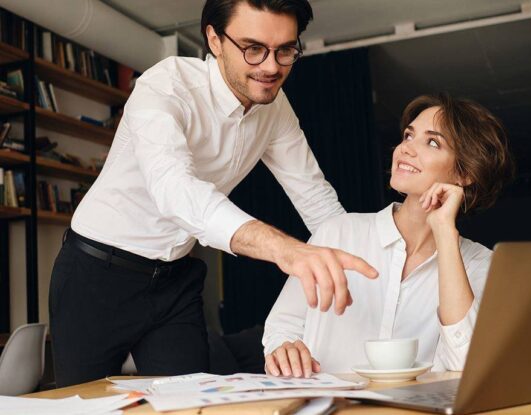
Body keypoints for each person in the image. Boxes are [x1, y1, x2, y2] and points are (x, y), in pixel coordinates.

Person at [49, 0, 378, 387]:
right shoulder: (165, 86)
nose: (271, 67)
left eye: (285, 50)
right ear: (214, 39)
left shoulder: (275, 109)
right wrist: (284, 249)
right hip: (95, 273)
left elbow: (317, 200)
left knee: (192, 402)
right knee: (82, 404)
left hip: (174, 281)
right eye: (253, 48)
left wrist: (378, 266)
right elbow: (175, 191)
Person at [263, 93, 515, 377]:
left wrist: (445, 232)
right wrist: (284, 348)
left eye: (433, 142)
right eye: (408, 136)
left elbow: (466, 365)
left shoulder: (481, 265)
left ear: (465, 173)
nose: (406, 148)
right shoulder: (338, 232)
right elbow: (282, 326)